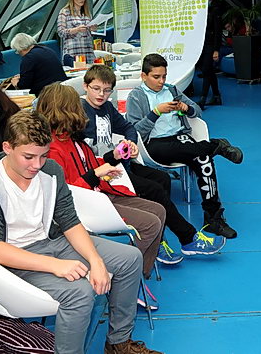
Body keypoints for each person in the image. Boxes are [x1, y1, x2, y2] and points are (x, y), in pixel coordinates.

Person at [0, 111, 162, 354]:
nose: (37, 165)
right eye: (28, 157)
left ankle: (118, 344)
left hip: (52, 241)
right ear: (7, 148)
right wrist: (56, 266)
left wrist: (95, 260)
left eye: (43, 155)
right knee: (80, 293)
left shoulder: (51, 170)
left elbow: (69, 221)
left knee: (130, 259)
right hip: (15, 257)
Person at [81, 65, 225, 265]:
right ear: (85, 86)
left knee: (162, 179)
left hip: (115, 163)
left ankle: (159, 241)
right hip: (104, 172)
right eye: (96, 89)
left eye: (106, 91)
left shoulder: (107, 108)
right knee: (155, 188)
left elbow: (128, 128)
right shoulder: (80, 113)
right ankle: (187, 238)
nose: (101, 94)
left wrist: (131, 142)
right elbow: (86, 153)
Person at [37, 83, 166, 285]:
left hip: (98, 195)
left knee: (159, 211)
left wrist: (114, 156)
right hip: (86, 205)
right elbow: (67, 193)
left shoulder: (73, 139)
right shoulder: (52, 150)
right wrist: (96, 173)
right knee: (150, 224)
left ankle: (139, 273)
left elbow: (90, 165)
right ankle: (123, 274)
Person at [126, 53, 242, 239]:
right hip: (153, 143)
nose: (161, 81)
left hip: (180, 138)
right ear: (144, 76)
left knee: (204, 161)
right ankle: (215, 145)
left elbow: (198, 112)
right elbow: (134, 130)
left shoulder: (172, 90)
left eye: (164, 76)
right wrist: (156, 113)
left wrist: (186, 108)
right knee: (197, 152)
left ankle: (213, 218)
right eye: (156, 77)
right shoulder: (136, 96)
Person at [57, 0, 97, 66]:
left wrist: (92, 29)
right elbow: (61, 32)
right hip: (73, 53)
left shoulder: (87, 13)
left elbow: (89, 34)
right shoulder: (65, 12)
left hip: (88, 53)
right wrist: (76, 29)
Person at [198, 0, 223, 110]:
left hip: (210, 44)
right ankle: (217, 96)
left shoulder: (215, 9)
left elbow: (218, 30)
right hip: (201, 43)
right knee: (209, 70)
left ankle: (203, 98)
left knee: (206, 69)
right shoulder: (200, 9)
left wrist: (216, 49)